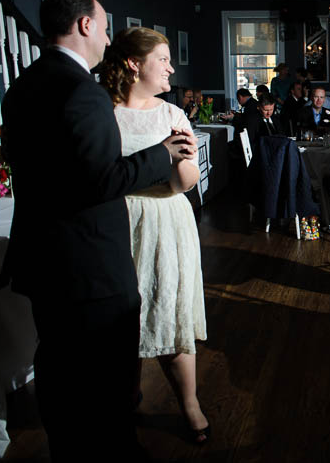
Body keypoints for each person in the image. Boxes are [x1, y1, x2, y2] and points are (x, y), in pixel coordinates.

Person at [0, 0, 196, 461]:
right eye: (105, 27)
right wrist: (160, 155)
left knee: (58, 367)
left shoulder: (23, 86)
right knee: (105, 377)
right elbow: (98, 180)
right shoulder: (81, 92)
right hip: (89, 262)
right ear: (85, 26)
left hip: (43, 255)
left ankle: (67, 447)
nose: (108, 38)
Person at [98, 27, 209, 444]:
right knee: (122, 314)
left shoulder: (171, 114)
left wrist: (181, 157)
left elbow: (186, 184)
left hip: (165, 218)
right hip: (115, 219)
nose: (171, 67)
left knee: (169, 305)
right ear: (134, 64)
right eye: (162, 59)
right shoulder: (102, 112)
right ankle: (125, 395)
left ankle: (190, 403)